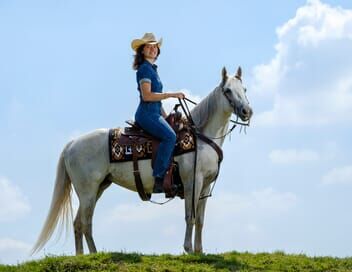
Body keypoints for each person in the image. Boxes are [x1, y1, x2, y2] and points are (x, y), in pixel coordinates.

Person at [131, 32, 185, 193]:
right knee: (170, 136)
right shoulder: (144, 70)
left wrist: (166, 116)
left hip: (155, 113)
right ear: (142, 51)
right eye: (148, 46)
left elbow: (157, 101)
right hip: (146, 115)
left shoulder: (153, 70)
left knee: (174, 130)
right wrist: (172, 94)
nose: (152, 49)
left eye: (155, 47)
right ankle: (159, 178)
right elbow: (147, 96)